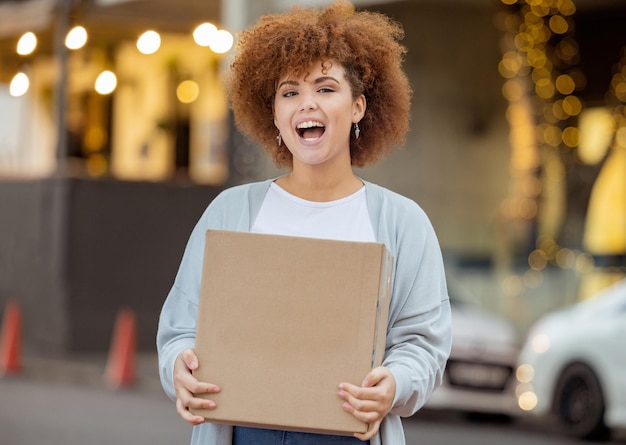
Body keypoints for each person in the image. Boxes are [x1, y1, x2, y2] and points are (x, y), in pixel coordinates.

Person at [156, 1, 452, 444]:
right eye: (289, 92)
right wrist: (179, 366)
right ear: (273, 114)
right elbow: (182, 328)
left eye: (326, 88)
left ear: (358, 107)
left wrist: (395, 384)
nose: (306, 104)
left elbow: (422, 343)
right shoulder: (230, 212)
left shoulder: (402, 223)